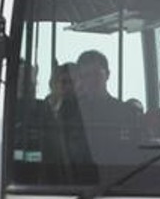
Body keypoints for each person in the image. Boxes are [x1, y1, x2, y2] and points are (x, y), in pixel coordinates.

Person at [58, 50, 142, 180]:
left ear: (107, 75)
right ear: (79, 78)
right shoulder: (69, 112)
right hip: (75, 182)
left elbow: (133, 155)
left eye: (97, 74)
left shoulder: (126, 112)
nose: (92, 80)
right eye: (86, 75)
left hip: (118, 181)